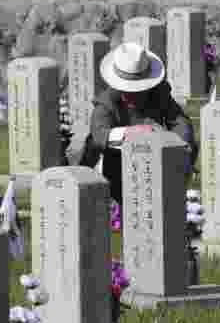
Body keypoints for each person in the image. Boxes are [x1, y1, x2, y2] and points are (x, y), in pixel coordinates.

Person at [79, 42, 198, 207]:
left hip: (156, 157)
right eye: (127, 90)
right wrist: (131, 132)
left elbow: (180, 121)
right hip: (118, 163)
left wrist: (179, 145)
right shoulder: (108, 101)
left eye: (137, 90)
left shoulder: (158, 93)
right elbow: (99, 133)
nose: (132, 95)